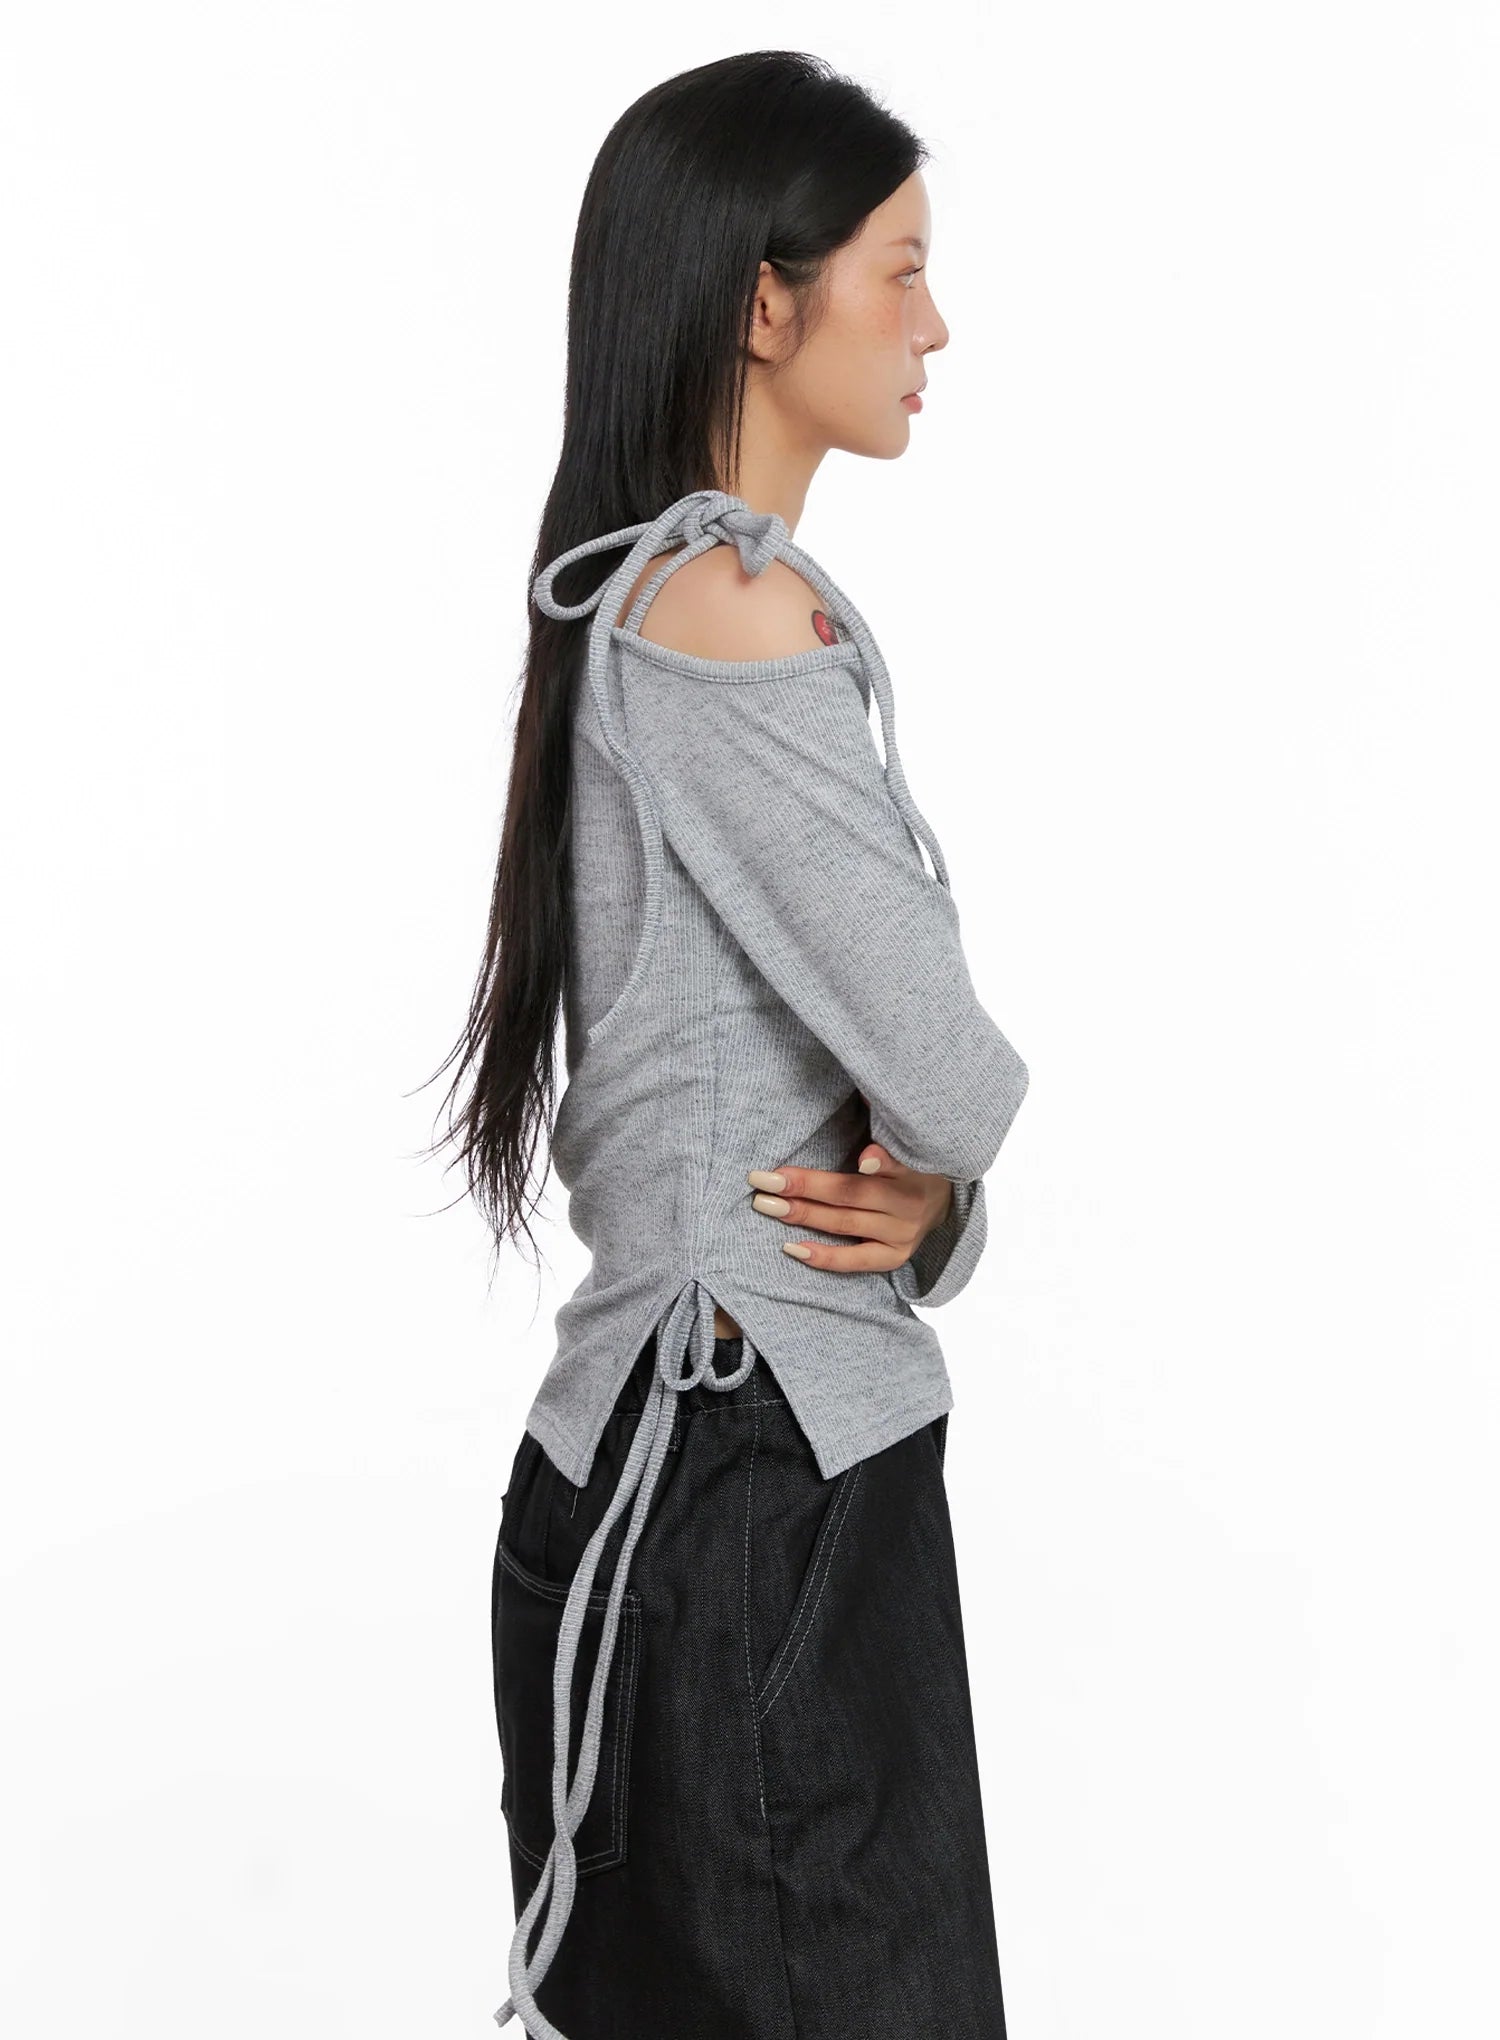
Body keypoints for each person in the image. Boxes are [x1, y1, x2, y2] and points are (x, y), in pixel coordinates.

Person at [430, 51, 1030, 2040]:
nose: (934, 326)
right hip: (746, 1478)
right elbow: (951, 1075)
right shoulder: (723, 618)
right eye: (899, 271)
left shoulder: (646, 609)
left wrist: (930, 1210)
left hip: (701, 1470)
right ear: (768, 304)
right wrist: (947, 1176)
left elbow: (899, 1113)